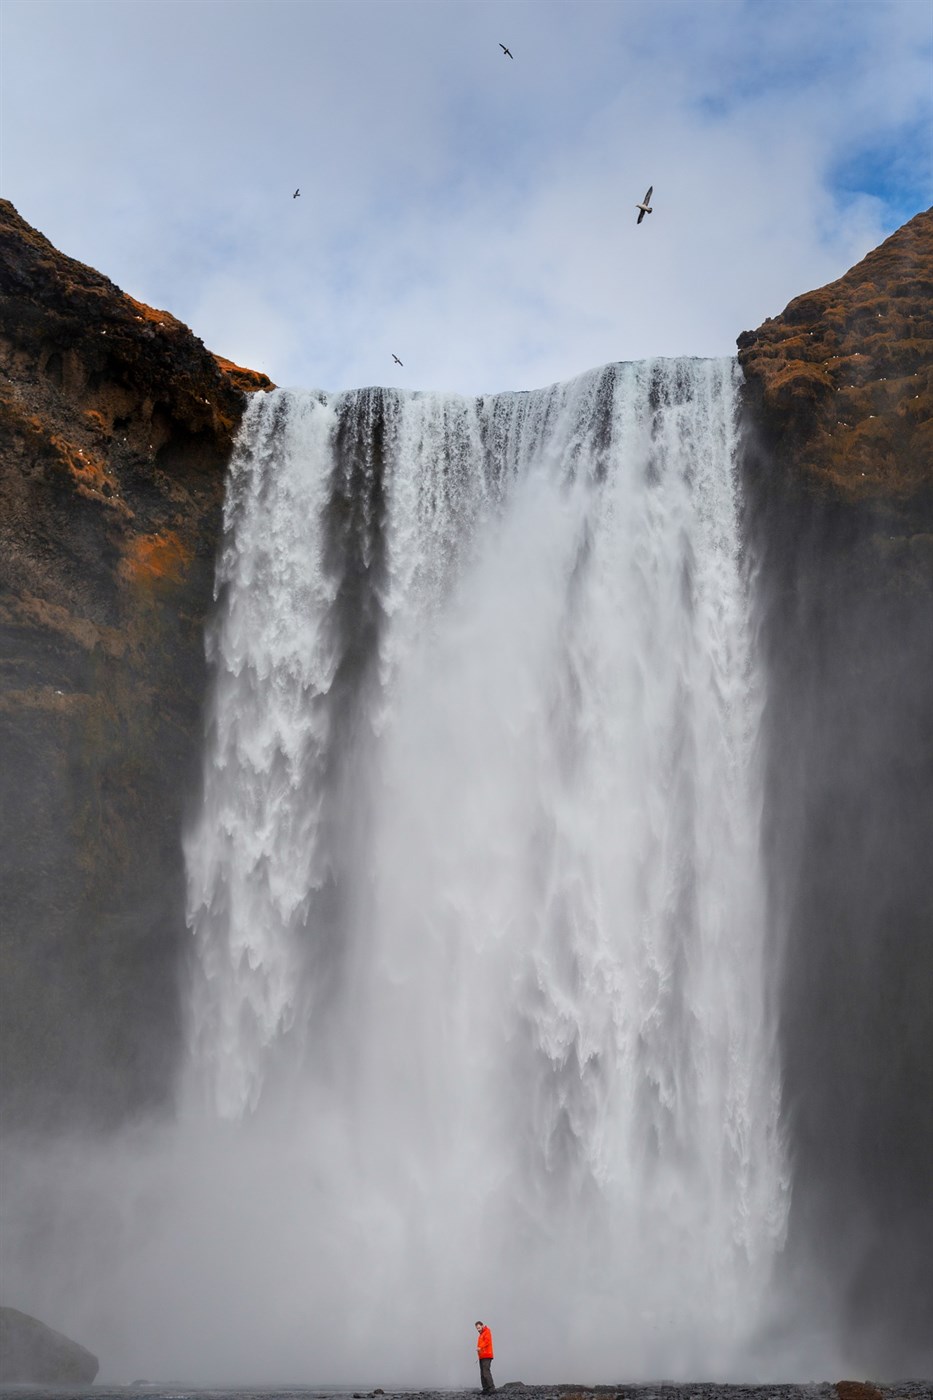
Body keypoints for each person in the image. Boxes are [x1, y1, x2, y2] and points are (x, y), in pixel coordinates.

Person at [475, 1320, 495, 1393]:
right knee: (482, 1373)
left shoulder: (487, 1331)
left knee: (486, 1372)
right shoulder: (481, 1334)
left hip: (487, 1355)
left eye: (479, 1328)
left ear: (482, 1326)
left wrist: (480, 1347)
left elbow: (487, 1341)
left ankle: (491, 1389)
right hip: (482, 1356)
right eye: (477, 1328)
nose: (478, 1329)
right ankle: (485, 1389)